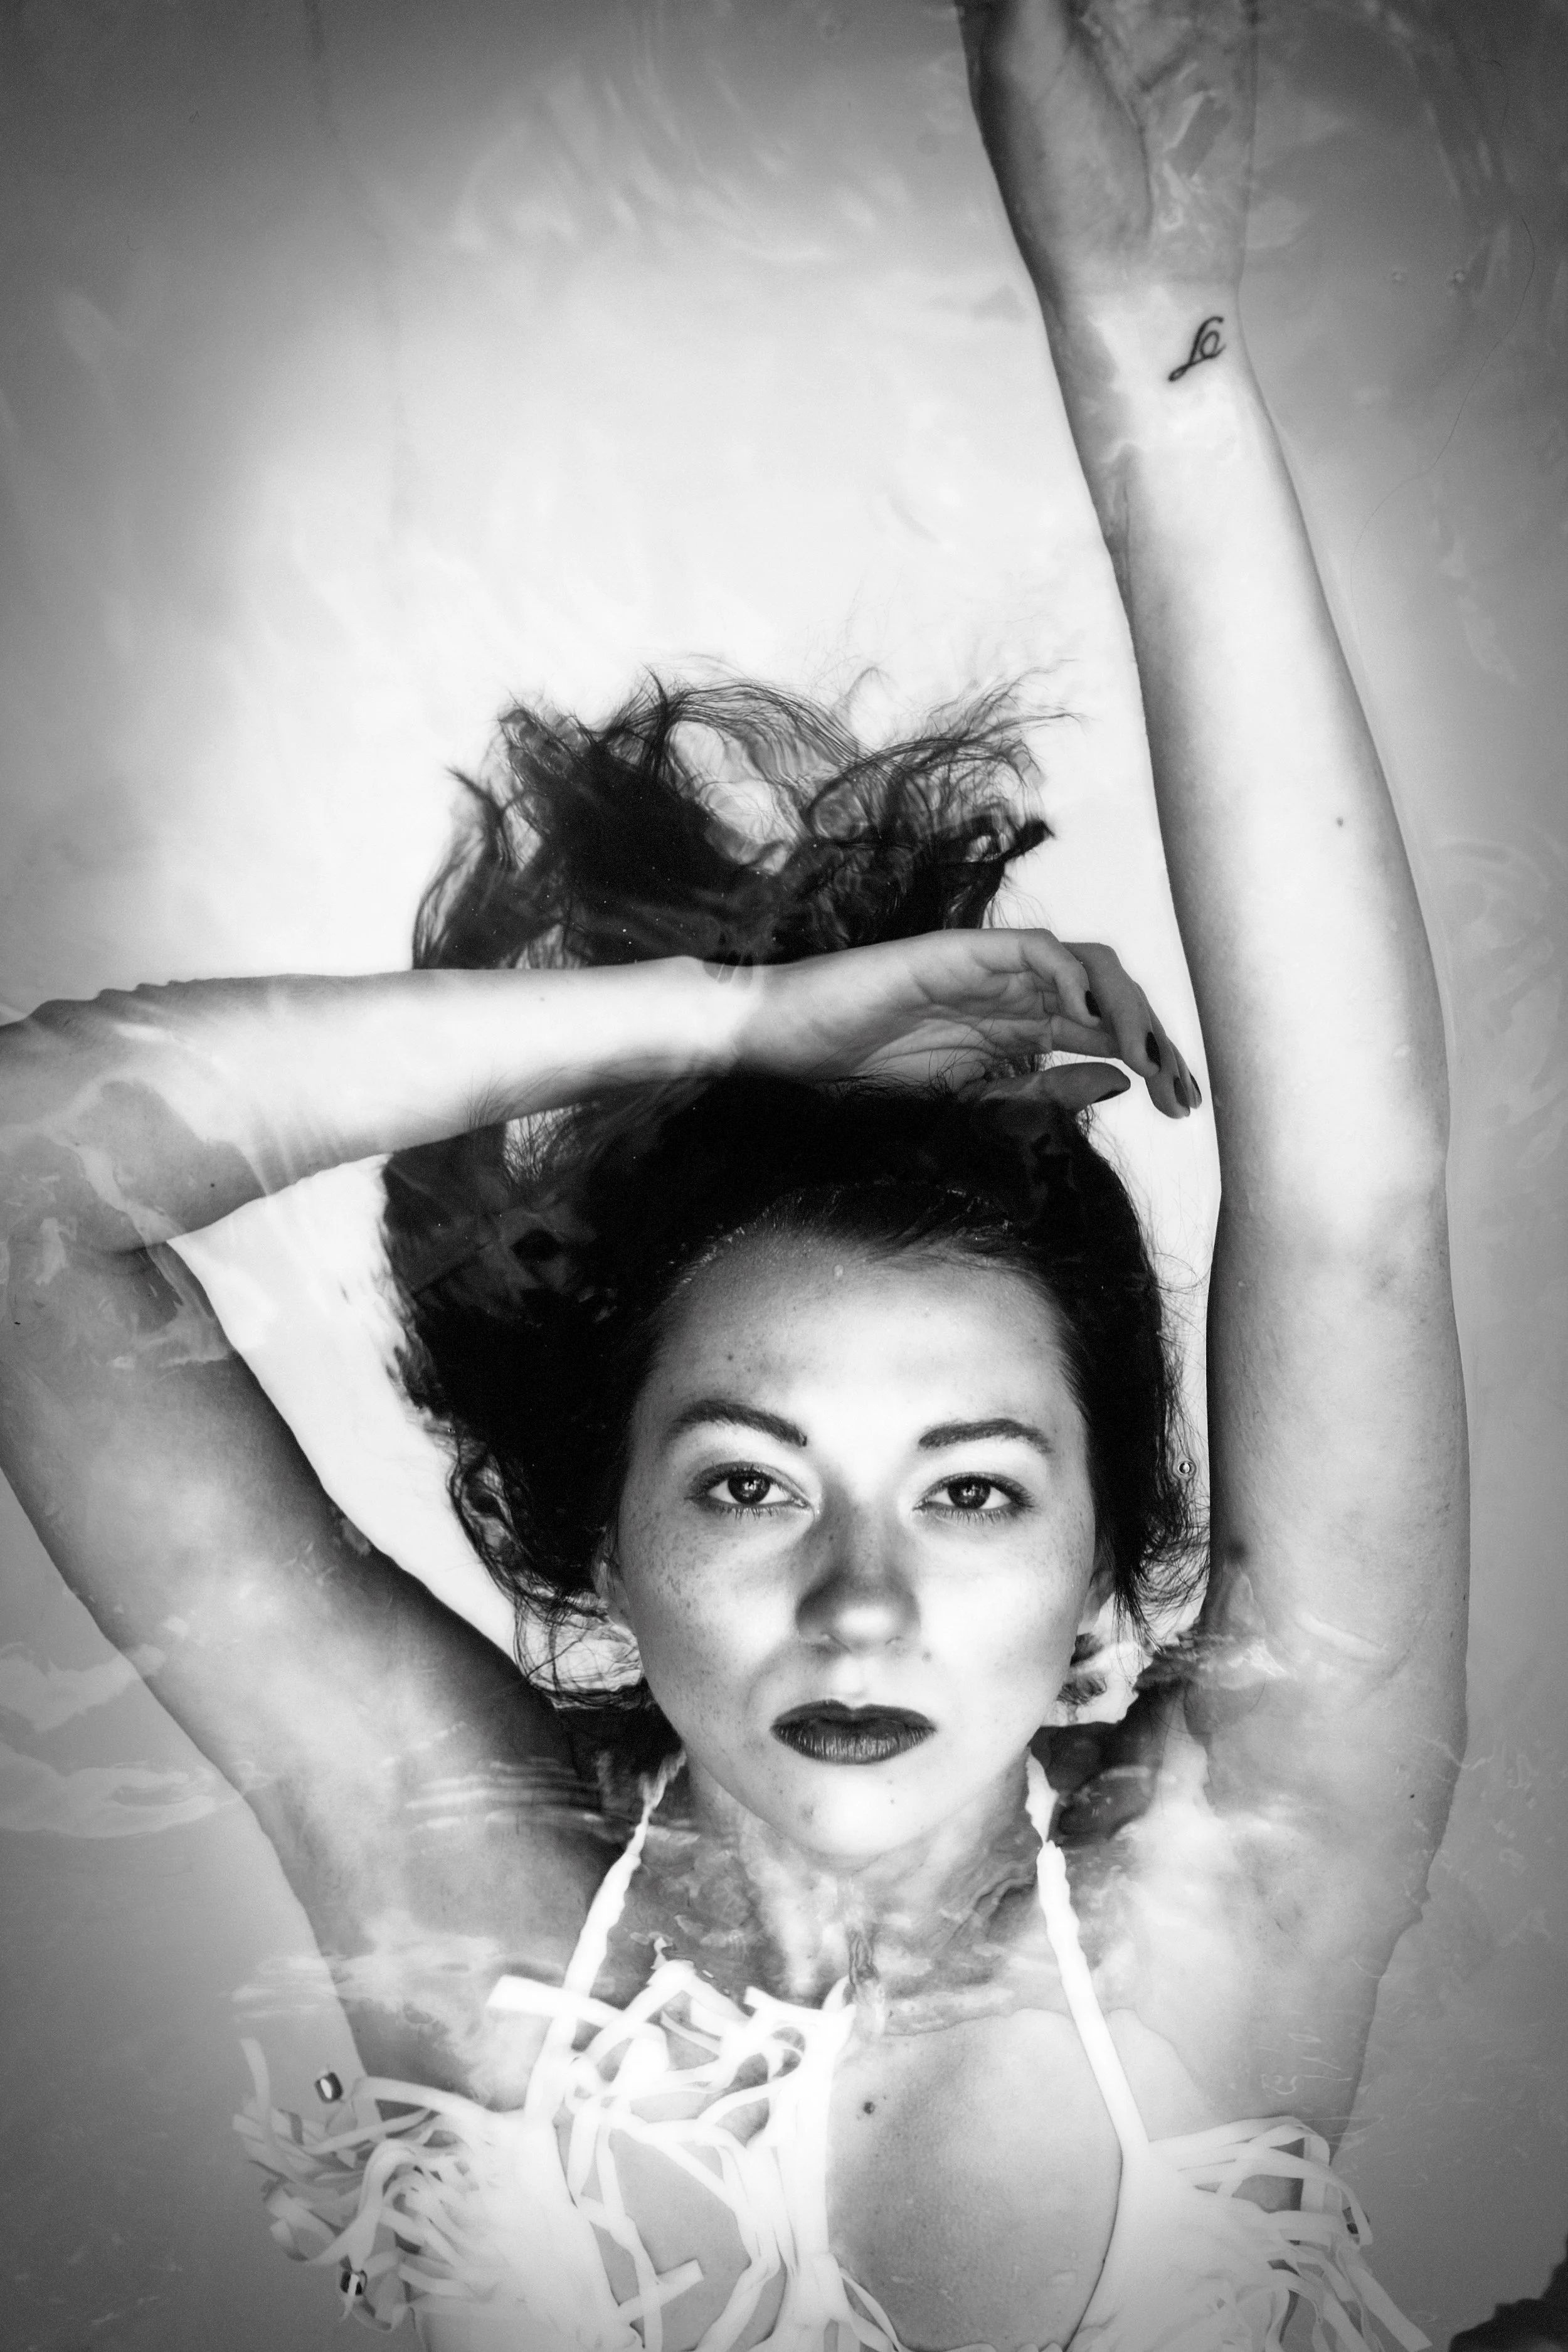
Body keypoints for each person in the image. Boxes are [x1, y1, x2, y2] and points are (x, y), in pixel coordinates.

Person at [0, 1, 1467, 2346]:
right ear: (601, 1533)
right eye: (751, 1481)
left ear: (1118, 1553)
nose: (863, 1607)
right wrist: (736, 1022)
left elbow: (1353, 1192)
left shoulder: (1240, 1879)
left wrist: (1151, 346)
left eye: (977, 1489)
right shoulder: (458, 1890)